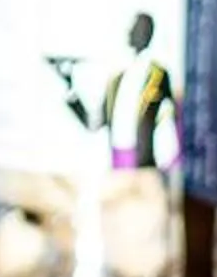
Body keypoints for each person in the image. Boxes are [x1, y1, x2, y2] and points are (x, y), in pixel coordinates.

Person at [57, 11, 179, 171]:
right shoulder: (116, 80)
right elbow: (94, 123)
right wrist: (69, 85)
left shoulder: (158, 75)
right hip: (117, 166)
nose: (129, 32)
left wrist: (172, 162)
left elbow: (175, 117)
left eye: (135, 27)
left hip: (145, 167)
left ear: (147, 33)